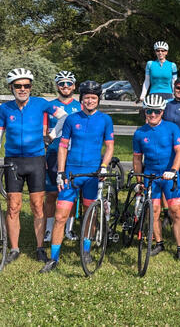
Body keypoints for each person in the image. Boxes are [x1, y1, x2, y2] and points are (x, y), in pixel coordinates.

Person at [0, 68, 68, 265]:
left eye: (26, 86)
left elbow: (65, 116)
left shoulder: (41, 103)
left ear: (31, 87)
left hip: (35, 160)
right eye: (18, 86)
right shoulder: (5, 109)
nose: (22, 89)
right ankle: (14, 248)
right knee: (13, 207)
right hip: (13, 161)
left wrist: (51, 136)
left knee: (37, 206)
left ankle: (40, 247)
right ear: (11, 87)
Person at [41, 81, 115, 273]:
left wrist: (104, 167)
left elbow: (109, 147)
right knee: (60, 215)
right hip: (71, 174)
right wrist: (60, 173)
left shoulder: (105, 120)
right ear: (81, 99)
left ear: (98, 100)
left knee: (89, 215)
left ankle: (86, 251)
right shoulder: (71, 119)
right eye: (86, 98)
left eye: (93, 98)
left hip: (92, 174)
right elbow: (63, 146)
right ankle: (53, 258)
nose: (90, 101)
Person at [133, 95, 180, 262]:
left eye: (156, 111)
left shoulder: (172, 128)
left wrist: (173, 170)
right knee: (153, 212)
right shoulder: (139, 133)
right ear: (145, 111)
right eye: (149, 111)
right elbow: (136, 159)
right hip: (151, 176)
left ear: (162, 111)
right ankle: (159, 243)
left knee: (176, 211)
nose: (153, 114)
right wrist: (139, 181)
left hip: (170, 176)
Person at [43, 71, 81, 243]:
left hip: (73, 154)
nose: (65, 87)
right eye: (61, 83)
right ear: (57, 86)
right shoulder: (49, 106)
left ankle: (69, 229)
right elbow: (44, 131)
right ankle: (49, 230)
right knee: (51, 194)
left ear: (74, 86)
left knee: (71, 192)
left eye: (68, 83)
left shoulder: (80, 106)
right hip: (52, 152)